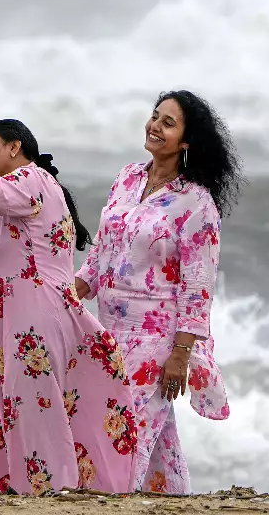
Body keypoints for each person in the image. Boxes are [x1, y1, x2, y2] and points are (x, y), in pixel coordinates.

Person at [0, 119, 139, 496]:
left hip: (35, 318)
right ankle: (36, 486)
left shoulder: (32, 179)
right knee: (19, 400)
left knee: (33, 403)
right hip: (23, 315)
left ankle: (48, 490)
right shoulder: (25, 190)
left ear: (14, 147)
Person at [73, 90, 245, 494]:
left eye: (168, 123)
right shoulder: (128, 177)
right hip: (109, 329)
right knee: (153, 438)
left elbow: (198, 286)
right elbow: (101, 250)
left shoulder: (196, 203)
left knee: (122, 430)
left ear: (186, 141)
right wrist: (71, 292)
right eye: (155, 117)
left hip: (156, 338)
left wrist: (180, 354)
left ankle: (110, 498)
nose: (155, 127)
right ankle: (169, 498)